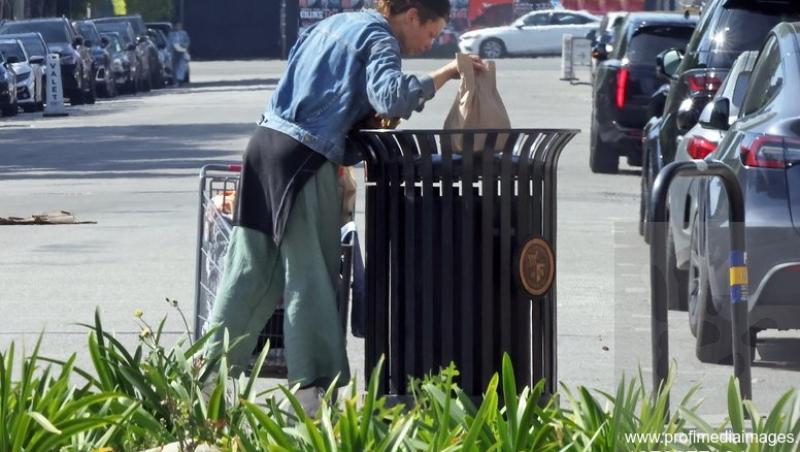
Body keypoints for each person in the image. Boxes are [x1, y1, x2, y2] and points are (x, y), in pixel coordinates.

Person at [202, 0, 486, 409]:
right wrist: (446, 73)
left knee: (247, 271)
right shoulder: (379, 37)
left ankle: (203, 376)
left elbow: (316, 93)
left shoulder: (332, 25)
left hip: (264, 147)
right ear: (411, 16)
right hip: (303, 161)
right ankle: (312, 397)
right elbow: (393, 97)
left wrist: (358, 120)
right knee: (311, 275)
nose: (430, 43)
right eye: (431, 31)